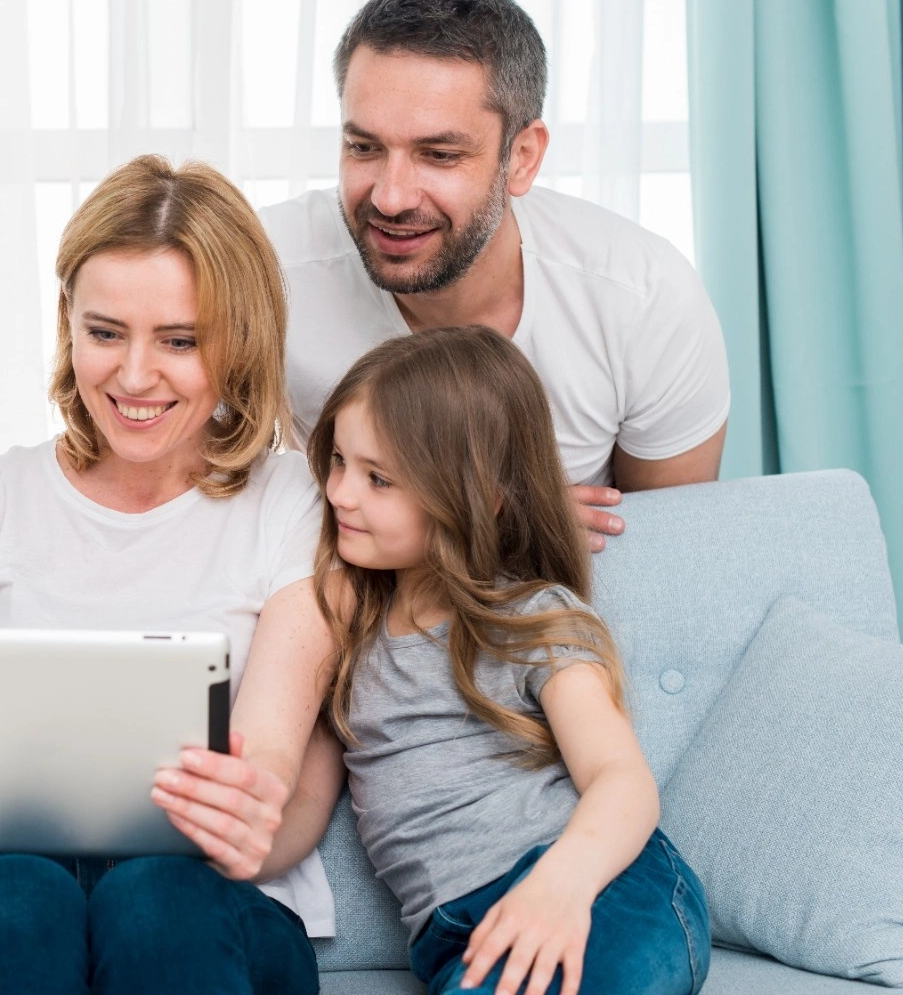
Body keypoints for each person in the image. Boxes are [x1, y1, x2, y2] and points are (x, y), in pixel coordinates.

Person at [0, 155, 337, 995]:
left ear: (241, 340)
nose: (132, 376)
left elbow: (270, 751)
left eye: (180, 341)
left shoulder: (291, 501)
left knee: (155, 897)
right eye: (105, 331)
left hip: (206, 902)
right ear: (68, 325)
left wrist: (251, 805)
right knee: (16, 891)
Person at [270, 325, 710, 995]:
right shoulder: (350, 635)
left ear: (477, 495)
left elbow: (623, 778)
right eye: (337, 462)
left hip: (601, 890)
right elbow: (306, 795)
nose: (340, 494)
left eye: (378, 478)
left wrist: (561, 884)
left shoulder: (528, 616)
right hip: (457, 938)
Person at [259, 0, 731, 551]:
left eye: (439, 155)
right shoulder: (261, 272)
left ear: (524, 157)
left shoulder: (644, 301)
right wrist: (490, 525)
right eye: (363, 147)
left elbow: (670, 556)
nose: (389, 197)